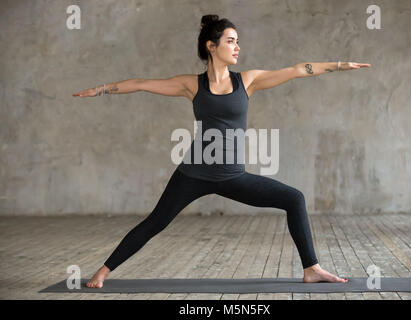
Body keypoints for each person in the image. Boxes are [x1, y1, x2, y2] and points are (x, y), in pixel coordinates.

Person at [73, 14, 370, 288]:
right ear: (211, 46)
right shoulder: (191, 85)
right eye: (231, 41)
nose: (237, 47)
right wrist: (101, 89)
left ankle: (311, 268)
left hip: (232, 176)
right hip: (193, 172)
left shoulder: (248, 80)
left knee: (294, 199)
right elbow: (141, 84)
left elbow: (297, 70)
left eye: (238, 41)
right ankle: (103, 271)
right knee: (155, 222)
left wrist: (341, 65)